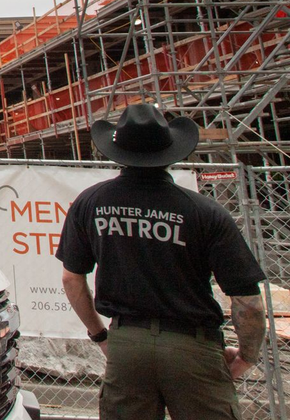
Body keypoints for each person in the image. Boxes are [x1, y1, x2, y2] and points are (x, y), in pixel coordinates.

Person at [56, 103, 267, 419]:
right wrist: (247, 357)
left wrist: (100, 336)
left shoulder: (90, 203)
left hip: (127, 346)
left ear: (118, 152)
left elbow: (71, 278)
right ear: (170, 152)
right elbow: (247, 300)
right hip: (192, 346)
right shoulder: (204, 212)